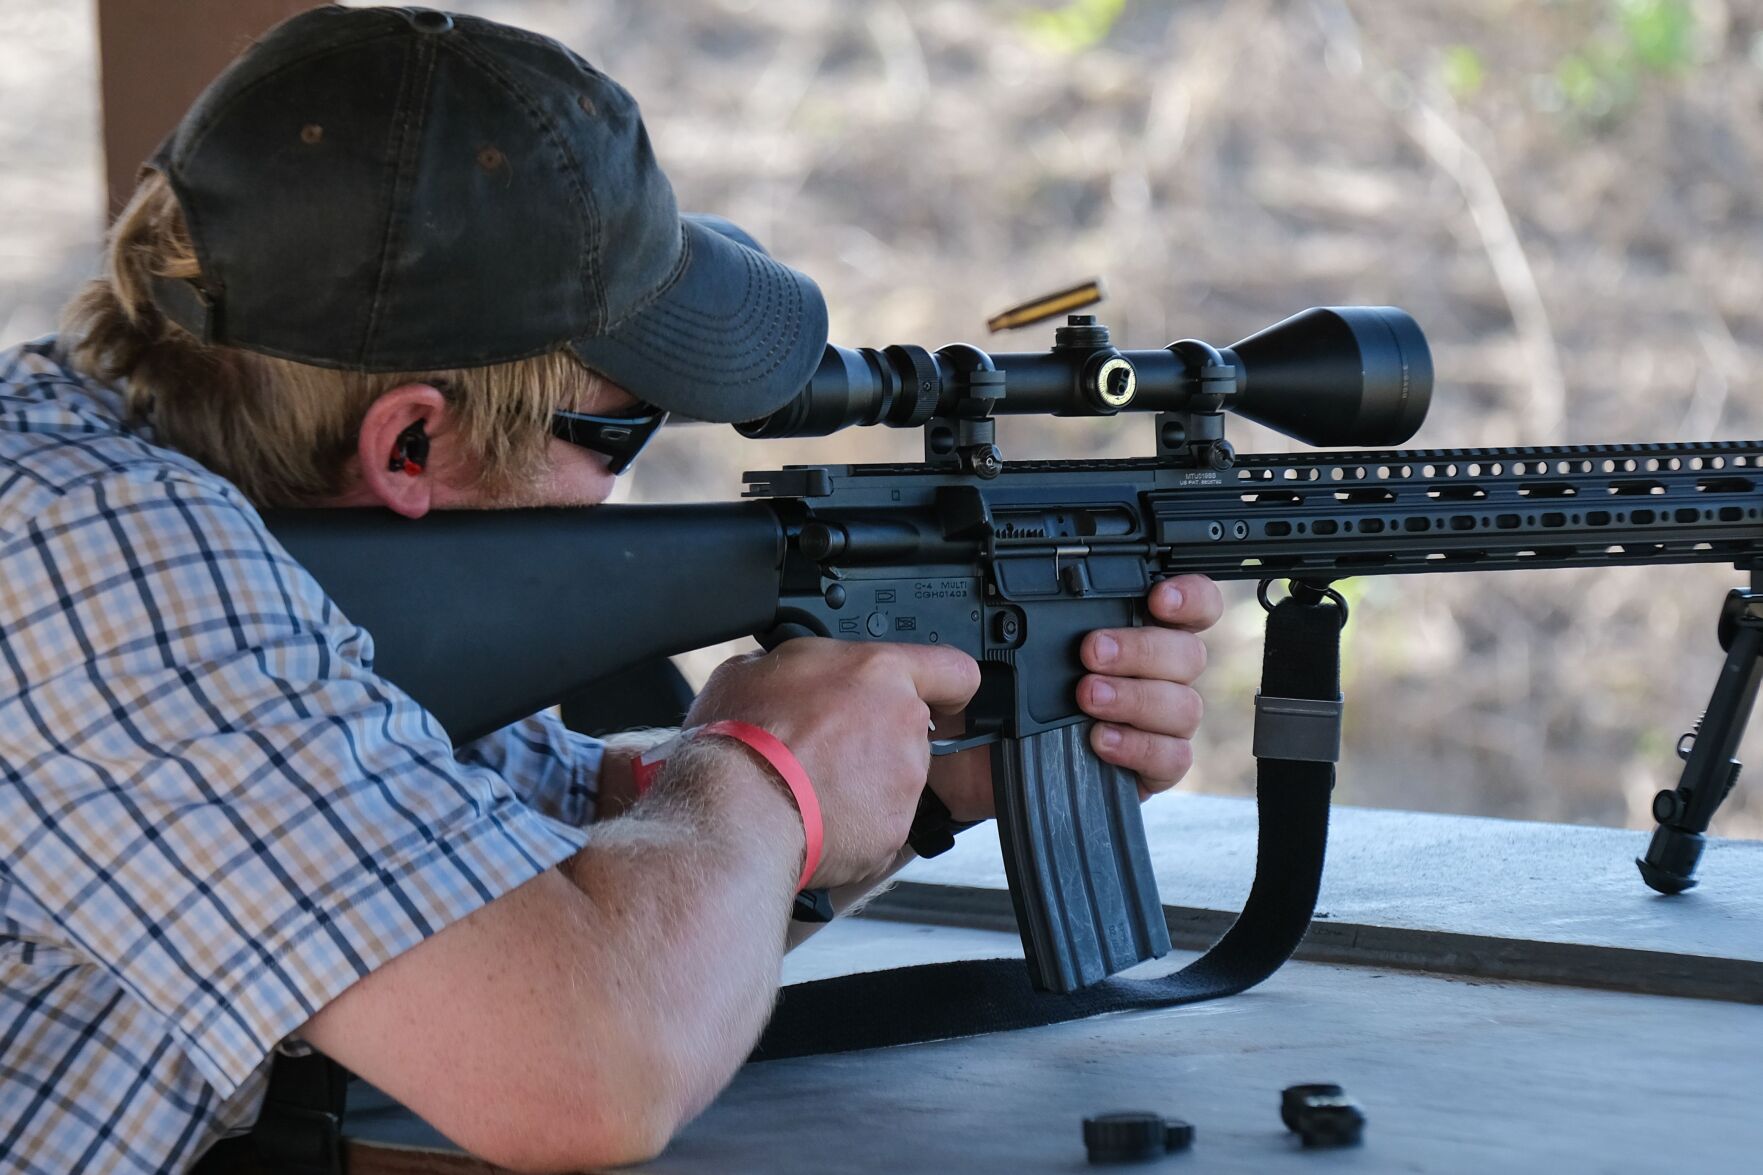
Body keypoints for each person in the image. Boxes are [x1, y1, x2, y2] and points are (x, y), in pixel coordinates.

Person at [0, 7, 1221, 1172]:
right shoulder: (93, 554)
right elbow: (584, 1065)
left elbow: (549, 866)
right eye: (615, 437)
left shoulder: (147, 480)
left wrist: (928, 775)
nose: (616, 495)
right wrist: (768, 766)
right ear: (410, 446)